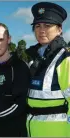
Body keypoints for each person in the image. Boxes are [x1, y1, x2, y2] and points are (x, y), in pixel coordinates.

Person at [25, 2, 70, 137]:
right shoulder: (34, 58)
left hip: (58, 132)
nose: (41, 30)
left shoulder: (65, 59)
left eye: (48, 25)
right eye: (37, 26)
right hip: (33, 130)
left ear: (59, 29)